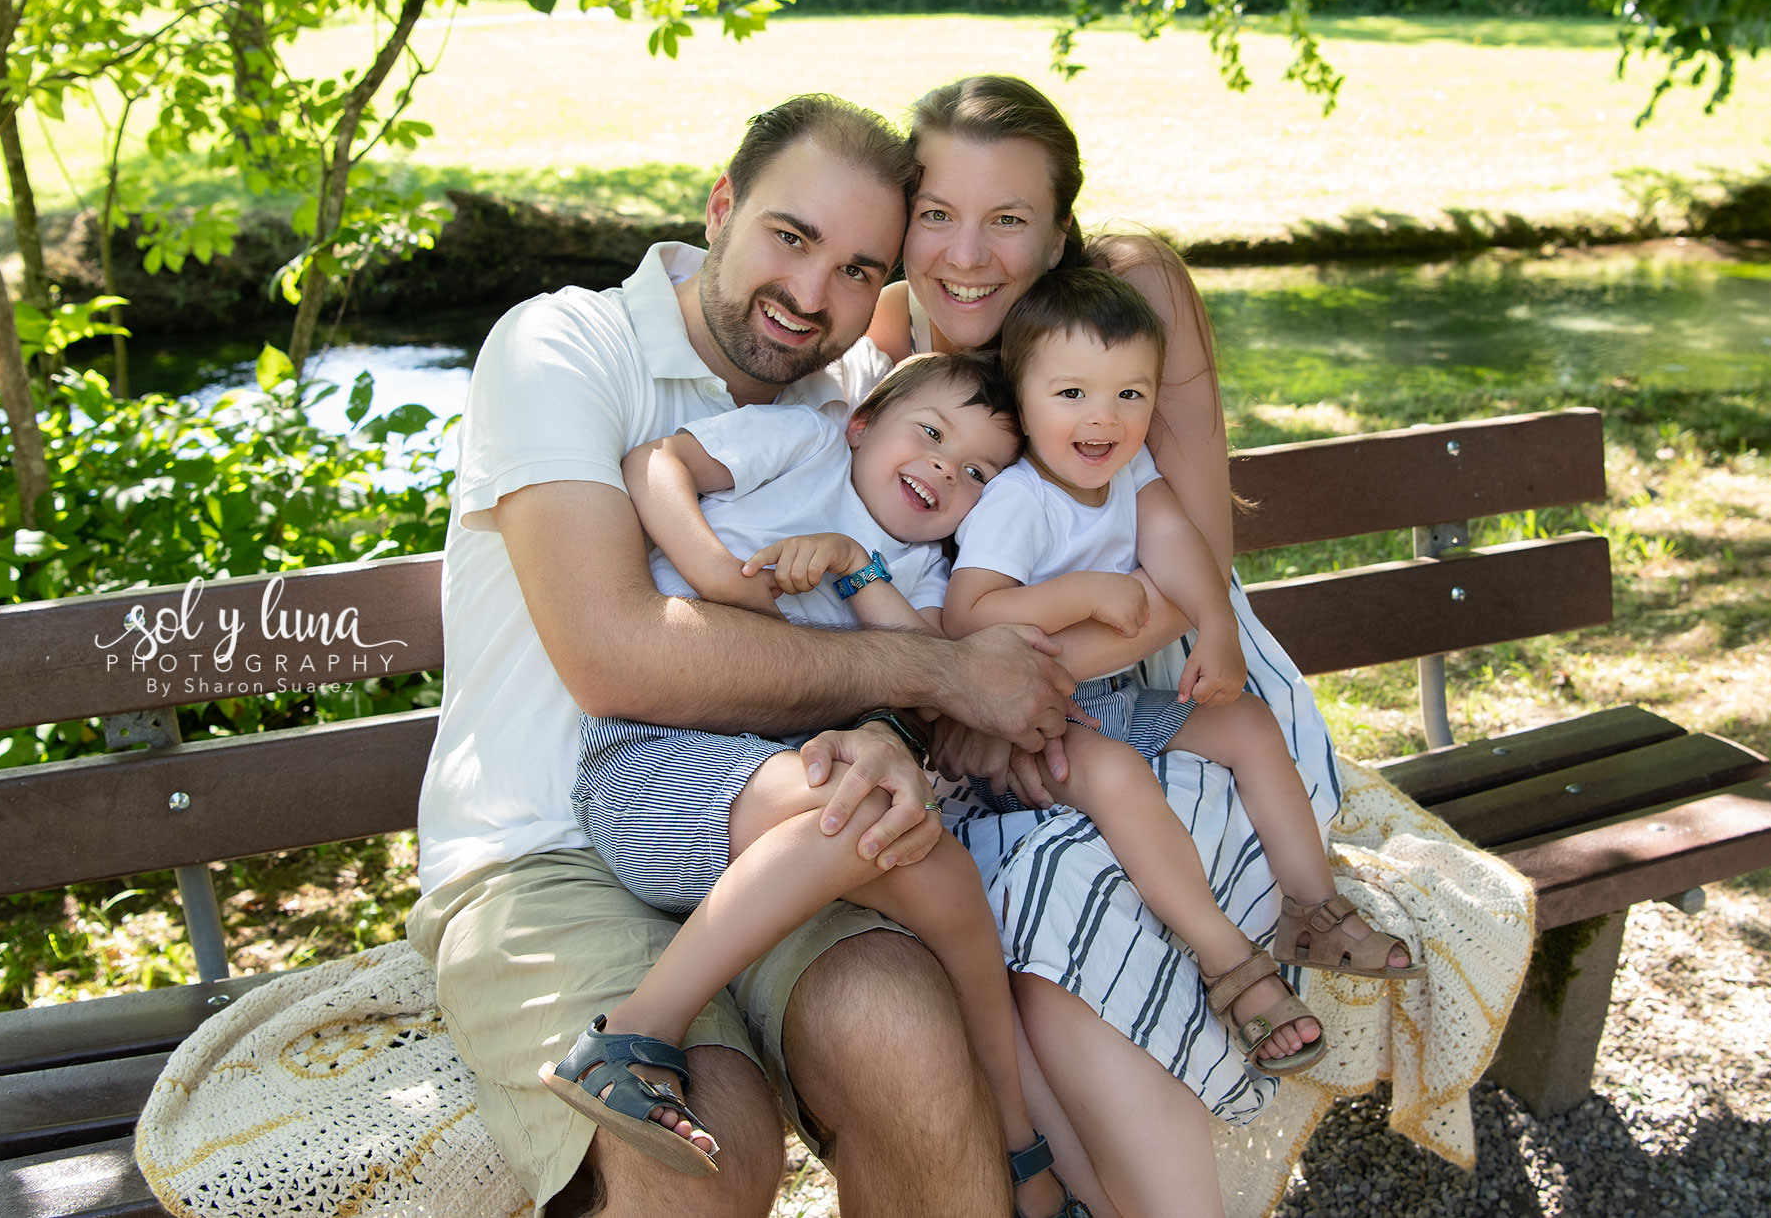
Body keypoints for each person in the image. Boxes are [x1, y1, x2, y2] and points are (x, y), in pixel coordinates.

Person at [407, 93, 1086, 1218]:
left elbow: (934, 561)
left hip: (776, 824)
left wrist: (904, 720)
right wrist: (929, 679)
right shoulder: (562, 344)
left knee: (906, 1040)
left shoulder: (847, 408)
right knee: (703, 1143)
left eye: (862, 269)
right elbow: (618, 659)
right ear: (720, 207)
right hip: (548, 849)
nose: (813, 295)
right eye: (790, 236)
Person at [865, 75, 1377, 1218]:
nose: (966, 255)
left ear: (1060, 230)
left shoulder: (1128, 293)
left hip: (1184, 681)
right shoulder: (892, 330)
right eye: (937, 212)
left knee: (1061, 884)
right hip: (1006, 723)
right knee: (1028, 887)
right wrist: (969, 698)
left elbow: (1173, 579)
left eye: (1008, 220)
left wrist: (988, 689)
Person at [544, 352, 1081, 1217]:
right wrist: (718, 574)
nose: (946, 467)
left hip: (780, 805)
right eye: (932, 433)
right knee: (878, 809)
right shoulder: (805, 441)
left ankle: (1019, 1144)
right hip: (651, 765)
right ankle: (634, 1032)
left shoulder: (927, 572)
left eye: (977, 470)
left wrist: (856, 565)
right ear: (862, 422)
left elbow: (933, 673)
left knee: (937, 867)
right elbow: (655, 463)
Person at [942, 268, 1423, 1080]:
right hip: (1032, 727)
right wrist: (1082, 592)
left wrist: (1220, 626)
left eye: (1131, 394)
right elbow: (968, 620)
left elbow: (1175, 541)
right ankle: (1233, 967)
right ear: (1022, 405)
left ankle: (1313, 904)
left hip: (1111, 701)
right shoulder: (1018, 502)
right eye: (1072, 393)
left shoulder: (1127, 476)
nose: (1104, 417)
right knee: (1119, 776)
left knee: (1247, 724)